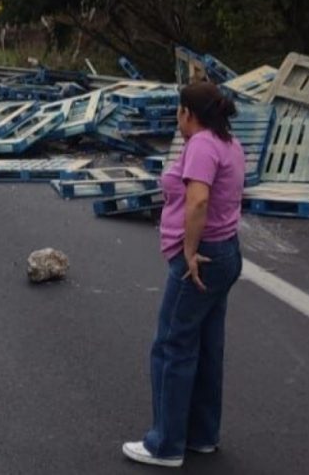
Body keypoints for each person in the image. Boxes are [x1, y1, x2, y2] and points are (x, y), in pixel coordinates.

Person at [123, 82, 245, 469]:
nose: (177, 118)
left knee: (172, 346)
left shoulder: (202, 146)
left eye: (179, 110)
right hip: (226, 251)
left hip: (203, 256)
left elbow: (199, 200)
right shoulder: (229, 143)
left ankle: (165, 444)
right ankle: (202, 435)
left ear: (188, 114)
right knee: (207, 346)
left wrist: (189, 252)